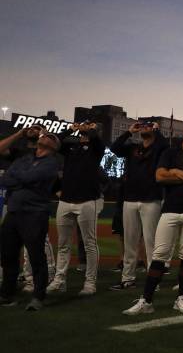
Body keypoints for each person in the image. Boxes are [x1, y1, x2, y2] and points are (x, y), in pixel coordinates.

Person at [122, 115, 183, 315]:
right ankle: (146, 300)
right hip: (170, 209)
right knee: (159, 255)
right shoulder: (170, 152)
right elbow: (160, 176)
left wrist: (176, 172)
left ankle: (181, 297)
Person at [0, 131, 60, 310]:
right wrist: (22, 179)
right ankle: (6, 294)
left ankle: (38, 296)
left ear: (55, 147)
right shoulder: (24, 158)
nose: (45, 137)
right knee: (7, 255)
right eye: (44, 135)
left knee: (36, 257)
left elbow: (28, 177)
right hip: (14, 212)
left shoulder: (51, 163)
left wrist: (19, 178)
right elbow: (5, 179)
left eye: (50, 137)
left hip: (35, 214)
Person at [47, 121, 105, 296]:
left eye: (91, 125)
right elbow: (56, 143)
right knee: (63, 244)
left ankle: (90, 283)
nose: (85, 126)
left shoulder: (97, 147)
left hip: (87, 200)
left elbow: (96, 139)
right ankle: (60, 280)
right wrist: (69, 129)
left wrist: (91, 129)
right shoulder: (71, 147)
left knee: (89, 244)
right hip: (65, 200)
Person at [109, 121, 168, 290]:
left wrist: (157, 130)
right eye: (142, 125)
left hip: (151, 199)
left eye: (149, 126)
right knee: (130, 242)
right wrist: (128, 132)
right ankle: (127, 278)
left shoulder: (158, 148)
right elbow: (114, 148)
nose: (144, 127)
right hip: (130, 199)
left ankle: (153, 280)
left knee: (151, 242)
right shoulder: (132, 148)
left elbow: (164, 144)